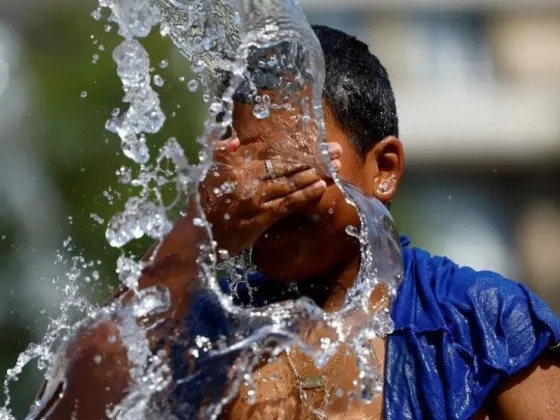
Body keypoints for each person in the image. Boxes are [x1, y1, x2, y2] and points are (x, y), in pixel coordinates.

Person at [30, 25, 560, 420]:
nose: (263, 197)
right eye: (241, 170)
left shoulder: (478, 325)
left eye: (287, 167)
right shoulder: (206, 333)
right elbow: (66, 409)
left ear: (384, 170)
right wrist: (193, 238)